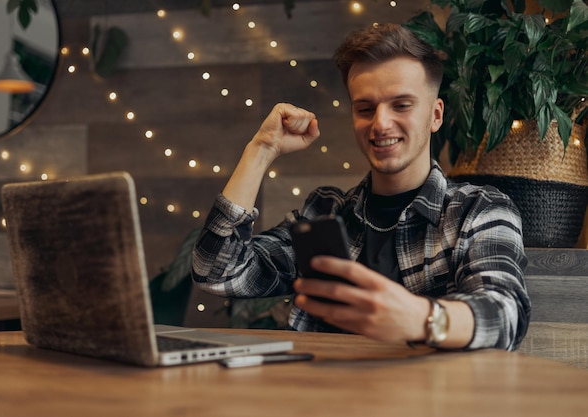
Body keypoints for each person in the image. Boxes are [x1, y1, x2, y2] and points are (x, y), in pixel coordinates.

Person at [191, 23, 530, 350]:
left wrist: (420, 319)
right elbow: (217, 273)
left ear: (435, 115)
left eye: (401, 105)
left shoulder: (479, 209)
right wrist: (261, 150)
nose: (380, 123)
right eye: (365, 108)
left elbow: (505, 315)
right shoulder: (325, 211)